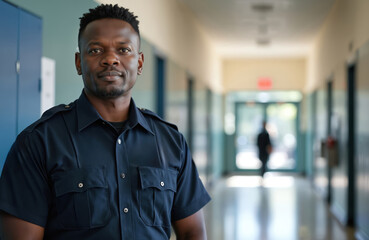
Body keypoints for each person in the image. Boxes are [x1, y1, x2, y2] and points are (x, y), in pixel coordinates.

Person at [0, 4, 210, 240]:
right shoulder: (39, 142)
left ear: (139, 63)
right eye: (96, 50)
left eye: (123, 49)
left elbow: (193, 231)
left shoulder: (171, 142)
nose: (110, 59)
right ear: (79, 62)